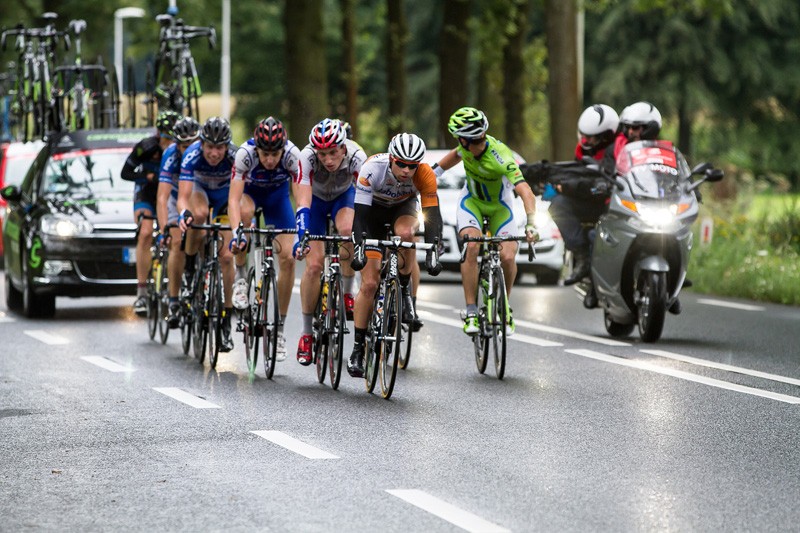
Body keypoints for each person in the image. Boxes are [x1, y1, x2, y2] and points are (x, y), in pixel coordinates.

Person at [434, 107, 538, 336]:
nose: (458, 142)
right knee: (472, 245)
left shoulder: (501, 156)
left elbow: (526, 192)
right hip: (472, 202)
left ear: (467, 138)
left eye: (459, 137)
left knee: (508, 256)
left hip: (500, 207)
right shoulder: (465, 148)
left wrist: (531, 223)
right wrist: (432, 175)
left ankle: (504, 307)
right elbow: (450, 159)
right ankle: (471, 311)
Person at [347, 133, 443, 377]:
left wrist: (434, 251)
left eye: (412, 166)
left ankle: (403, 289)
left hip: (403, 208)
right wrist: (359, 248)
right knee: (369, 284)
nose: (406, 170)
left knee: (407, 235)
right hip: (372, 213)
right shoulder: (371, 169)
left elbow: (433, 218)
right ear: (391, 158)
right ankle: (358, 349)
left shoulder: (425, 174)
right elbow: (359, 217)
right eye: (401, 163)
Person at [293, 118, 366, 366]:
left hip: (343, 196)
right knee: (313, 266)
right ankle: (306, 334)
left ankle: (347, 291)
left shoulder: (357, 155)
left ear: (344, 147)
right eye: (323, 154)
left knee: (347, 229)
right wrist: (301, 236)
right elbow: (302, 202)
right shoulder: (306, 156)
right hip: (315, 201)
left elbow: (366, 199)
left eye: (333, 152)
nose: (328, 160)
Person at [228, 117, 300, 361]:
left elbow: (301, 198)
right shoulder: (245, 154)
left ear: (283, 148)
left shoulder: (292, 155)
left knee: (288, 259)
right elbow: (233, 200)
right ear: (257, 148)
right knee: (244, 214)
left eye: (275, 154)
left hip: (278, 200)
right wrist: (237, 231)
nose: (270, 160)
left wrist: (302, 229)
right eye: (265, 154)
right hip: (251, 196)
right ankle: (240, 277)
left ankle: (279, 329)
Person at [177, 117, 239, 352]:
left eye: (219, 148)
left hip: (225, 197)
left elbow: (242, 194)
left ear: (227, 146)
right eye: (209, 147)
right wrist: (184, 213)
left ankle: (225, 323)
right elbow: (183, 197)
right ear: (202, 144)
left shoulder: (235, 157)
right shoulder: (192, 155)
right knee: (199, 215)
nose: (214, 153)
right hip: (200, 192)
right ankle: (191, 267)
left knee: (225, 256)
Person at [122, 110, 182, 316]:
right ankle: (141, 292)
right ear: (158, 134)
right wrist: (146, 176)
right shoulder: (145, 147)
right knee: (146, 233)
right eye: (165, 138)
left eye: (172, 138)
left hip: (169, 197)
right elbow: (125, 172)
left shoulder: (181, 151)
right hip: (147, 194)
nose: (169, 142)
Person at [552, 103, 619, 286]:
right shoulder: (582, 150)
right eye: (584, 136)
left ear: (607, 135)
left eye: (591, 137)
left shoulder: (620, 149)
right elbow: (578, 176)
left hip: (615, 203)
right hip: (592, 201)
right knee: (558, 204)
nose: (586, 141)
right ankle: (582, 257)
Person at [156, 116, 201, 328]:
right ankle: (173, 299)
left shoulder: (204, 153)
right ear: (177, 144)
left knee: (204, 233)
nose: (189, 149)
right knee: (177, 243)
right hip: (176, 199)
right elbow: (162, 197)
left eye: (193, 144)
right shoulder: (170, 155)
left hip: (196, 197)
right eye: (185, 146)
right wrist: (165, 227)